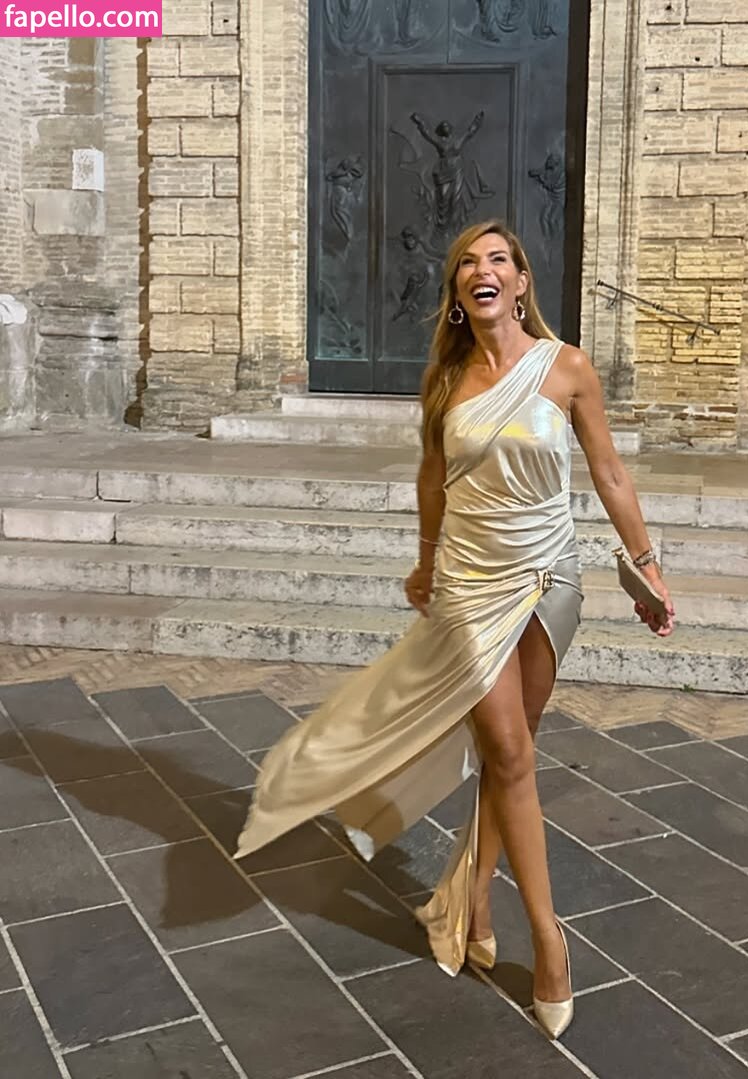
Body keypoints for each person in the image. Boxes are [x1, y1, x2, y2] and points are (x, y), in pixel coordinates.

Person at [234, 220, 675, 1040]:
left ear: (521, 282)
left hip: (552, 578)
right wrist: (426, 559)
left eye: (497, 259)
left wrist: (646, 562)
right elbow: (432, 477)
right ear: (458, 293)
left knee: (513, 755)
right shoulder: (446, 378)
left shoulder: (568, 367)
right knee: (508, 751)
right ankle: (550, 940)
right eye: (468, 262)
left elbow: (610, 470)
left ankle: (473, 898)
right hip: (473, 584)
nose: (483, 270)